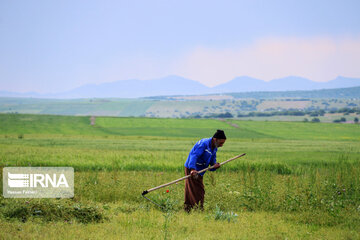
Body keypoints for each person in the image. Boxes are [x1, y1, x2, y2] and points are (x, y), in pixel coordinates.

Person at [184, 129, 226, 212]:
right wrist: (192, 169)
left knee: (192, 189)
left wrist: (215, 165)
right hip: (193, 169)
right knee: (199, 191)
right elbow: (194, 156)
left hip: (200, 171)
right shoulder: (204, 144)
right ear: (215, 139)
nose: (222, 145)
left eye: (223, 143)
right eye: (221, 143)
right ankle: (198, 210)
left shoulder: (214, 148)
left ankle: (188, 209)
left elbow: (212, 163)